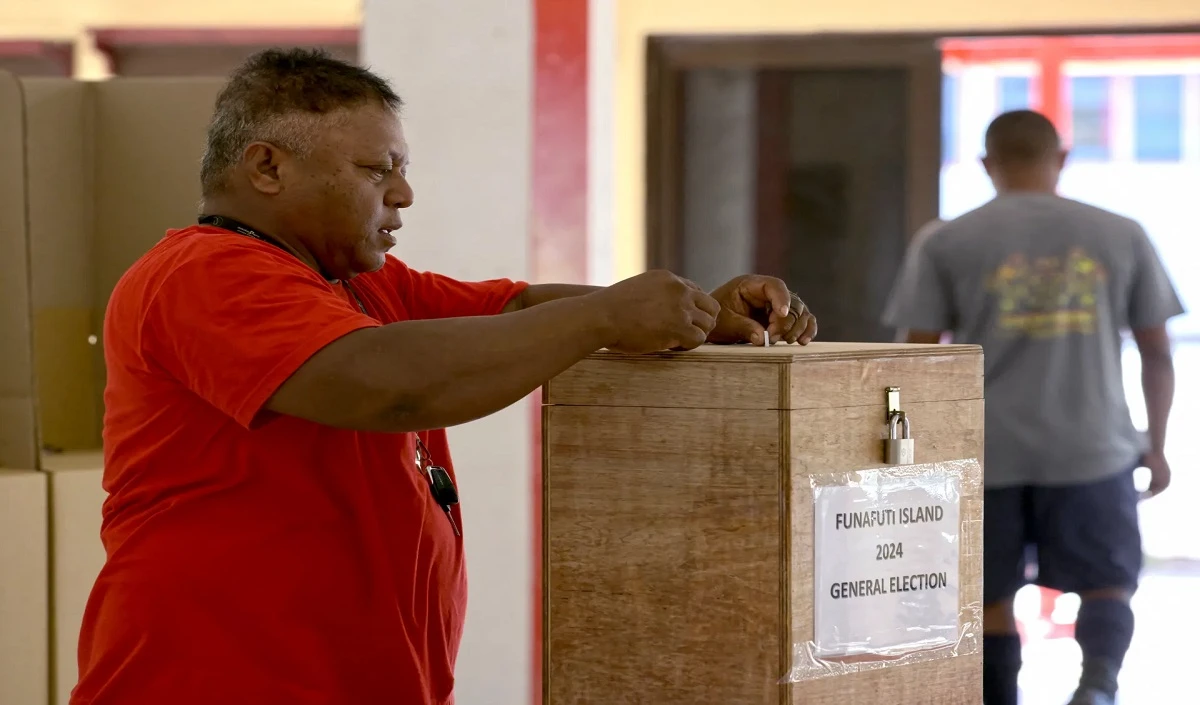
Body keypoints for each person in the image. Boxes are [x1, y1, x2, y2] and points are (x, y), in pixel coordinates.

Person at [70, 49, 817, 705]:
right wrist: (606, 319)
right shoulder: (203, 274)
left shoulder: (357, 283)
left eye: (403, 170)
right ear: (267, 166)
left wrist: (697, 313)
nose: (402, 196)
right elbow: (389, 385)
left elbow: (515, 310)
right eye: (377, 170)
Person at [883, 110, 1182, 705]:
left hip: (986, 453)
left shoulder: (946, 240)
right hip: (1092, 448)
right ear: (1062, 158)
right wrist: (1157, 443)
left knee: (986, 594)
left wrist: (915, 458)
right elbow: (1156, 352)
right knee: (1106, 583)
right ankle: (1096, 687)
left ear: (988, 165)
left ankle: (1000, 697)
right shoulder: (1119, 233)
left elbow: (917, 359)